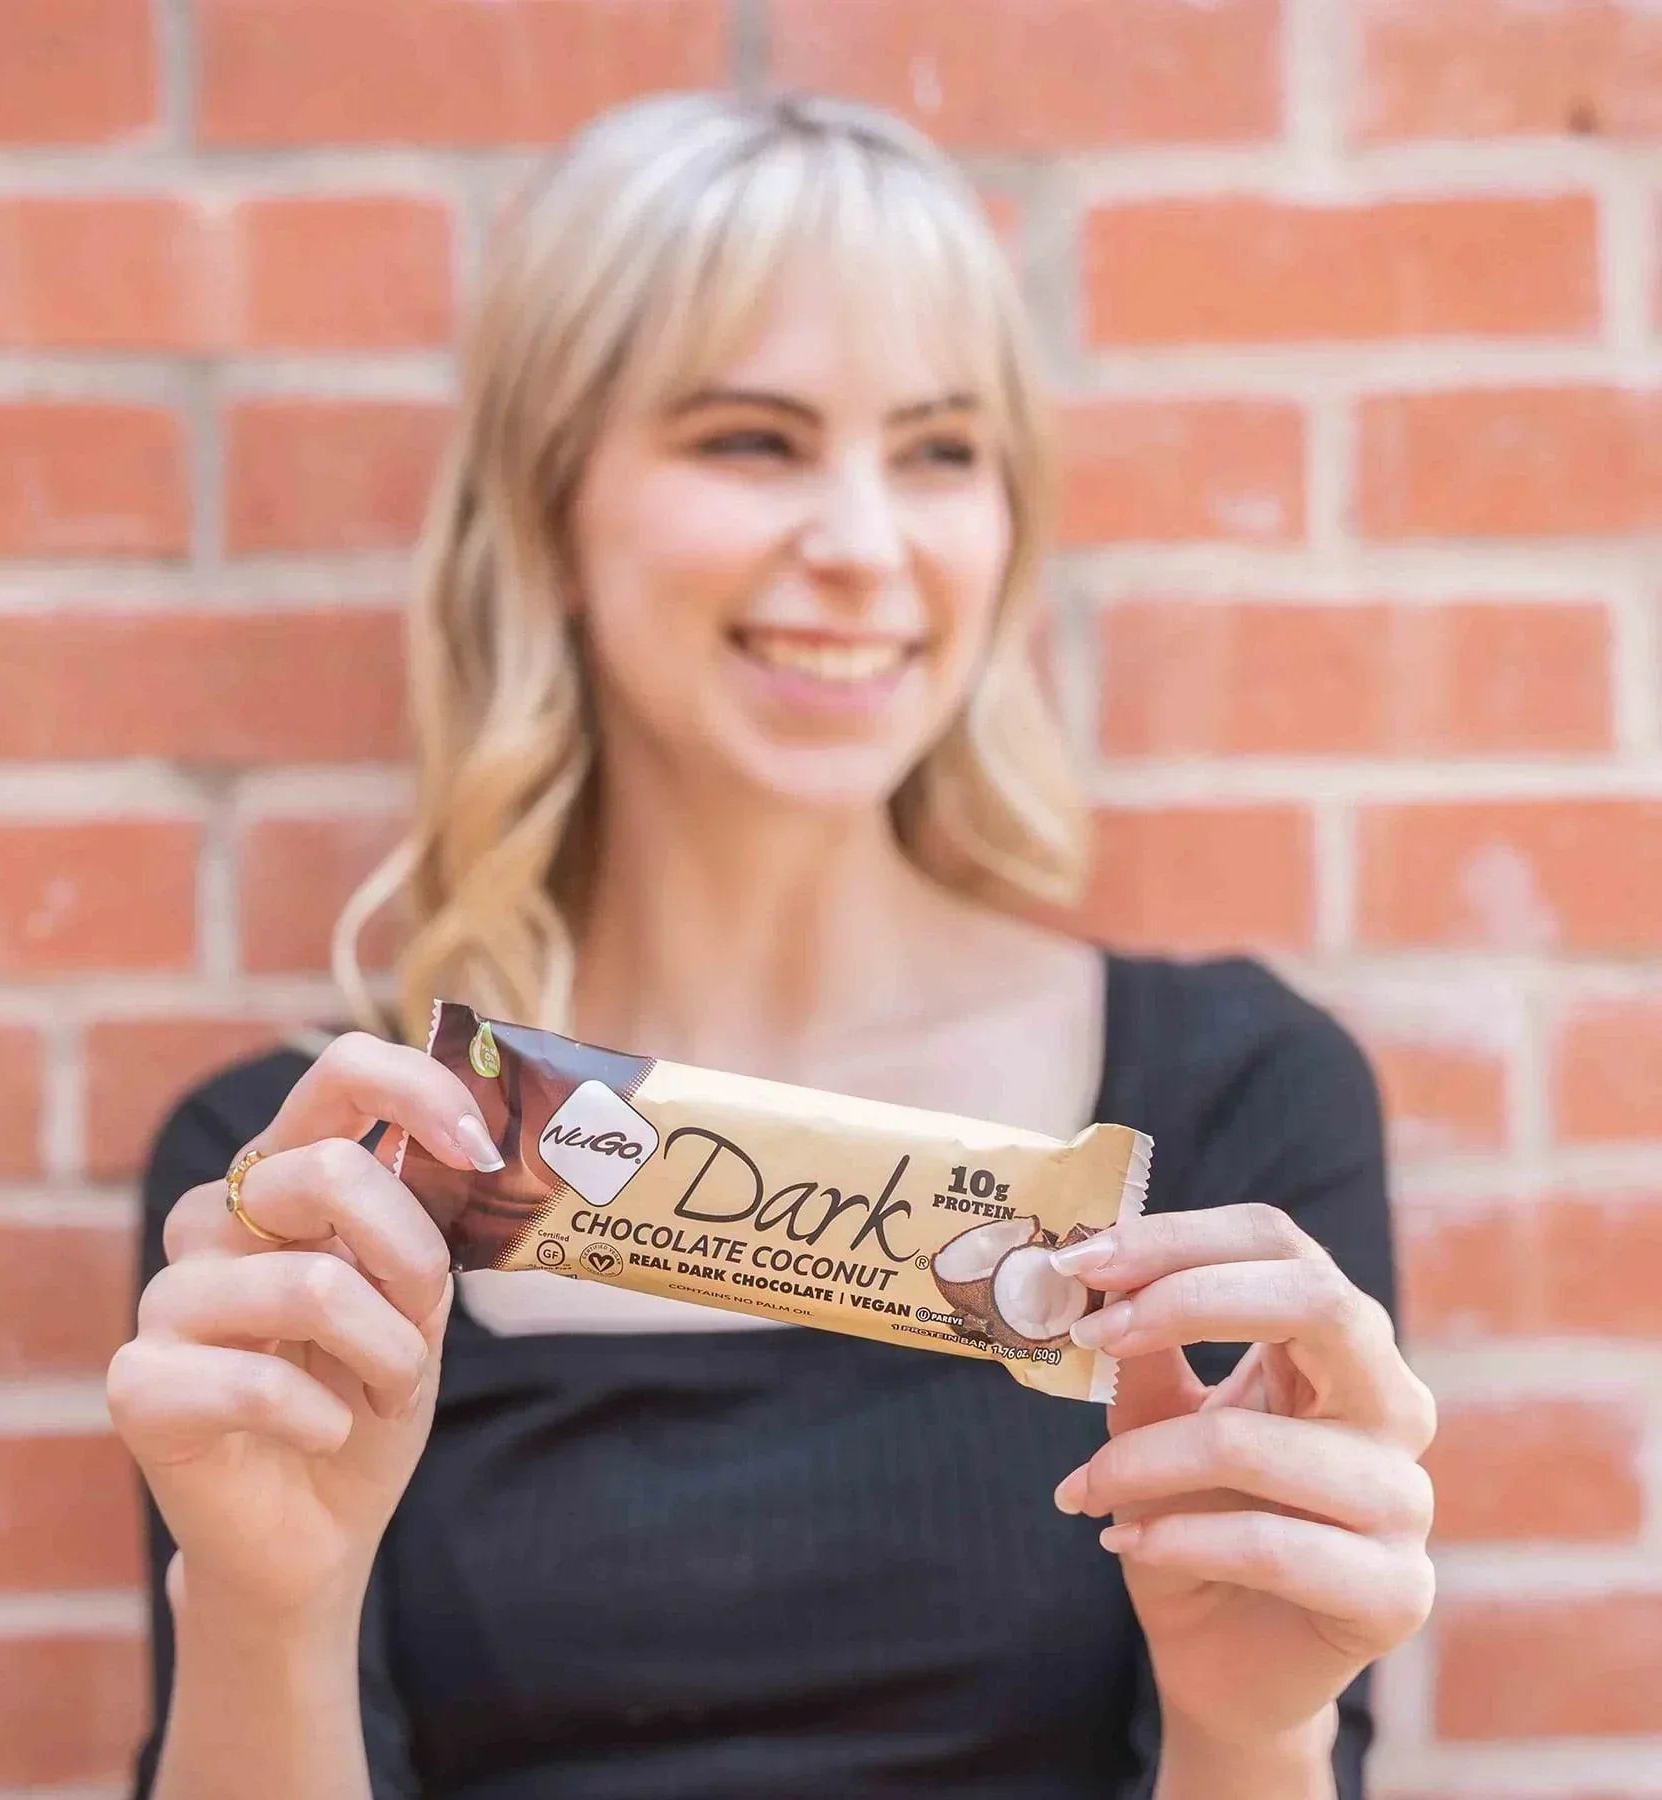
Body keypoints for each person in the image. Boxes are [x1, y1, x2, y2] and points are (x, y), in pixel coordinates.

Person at [110, 89, 1436, 1800]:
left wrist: (1254, 1733)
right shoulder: (311, 1171)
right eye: (754, 439)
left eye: (944, 450)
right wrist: (263, 1612)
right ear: (552, 504)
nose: (867, 547)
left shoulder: (1237, 1106)